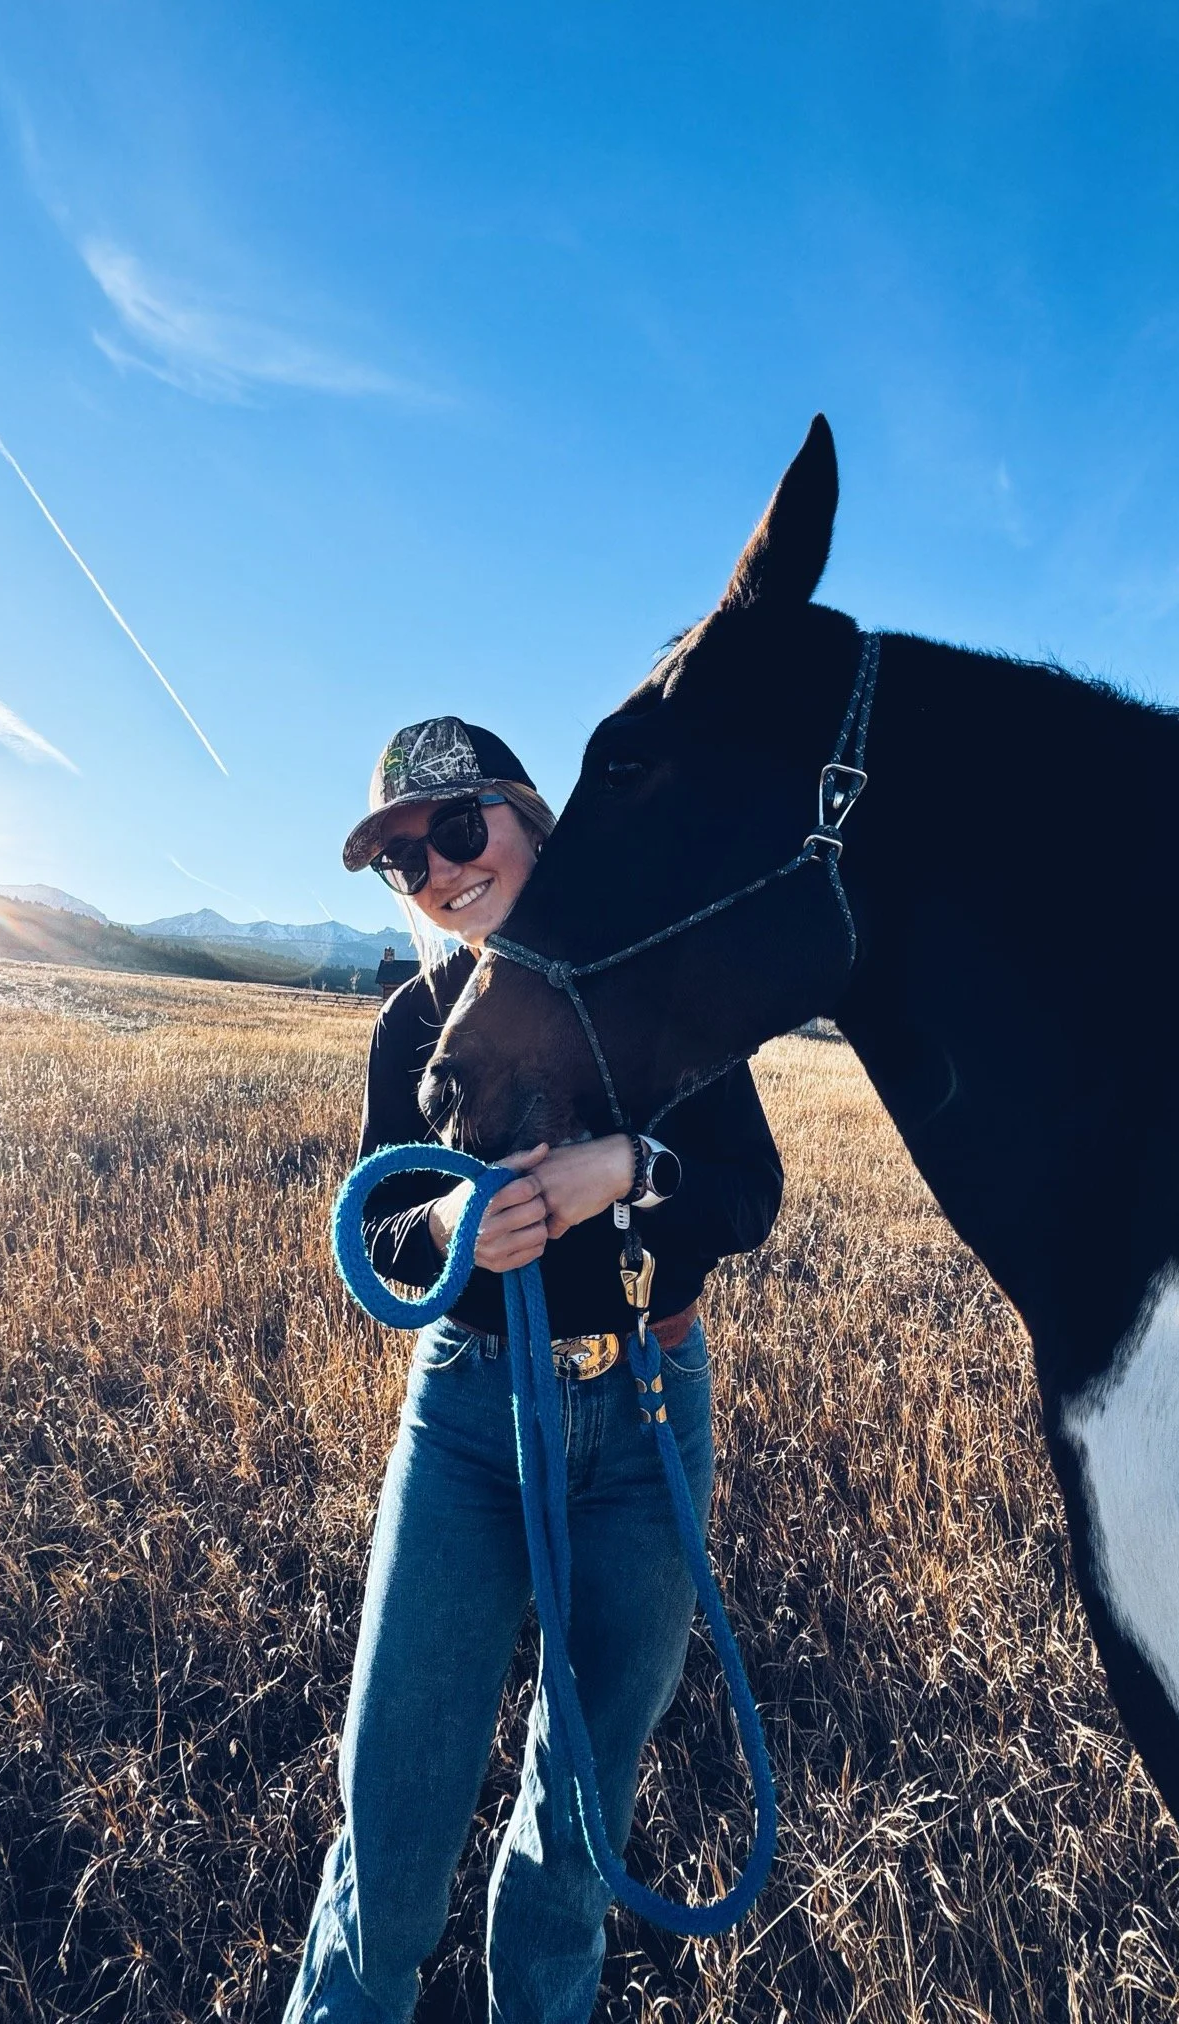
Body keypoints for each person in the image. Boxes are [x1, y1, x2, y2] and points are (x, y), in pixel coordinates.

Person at [284, 715, 782, 2024]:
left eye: (458, 827)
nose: (440, 870)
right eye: (405, 861)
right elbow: (384, 1240)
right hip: (467, 1425)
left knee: (578, 1835)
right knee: (391, 1827)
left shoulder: (663, 988)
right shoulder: (411, 1028)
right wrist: (450, 1228)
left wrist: (625, 1169)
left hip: (648, 1424)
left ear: (528, 815)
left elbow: (751, 1192)